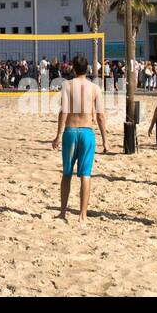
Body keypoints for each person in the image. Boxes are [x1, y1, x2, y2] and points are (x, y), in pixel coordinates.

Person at [52, 55, 108, 222]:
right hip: (87, 132)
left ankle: (63, 212)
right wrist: (105, 140)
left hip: (70, 131)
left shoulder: (67, 85)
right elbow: (100, 116)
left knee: (67, 174)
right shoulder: (95, 88)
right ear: (88, 69)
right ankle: (82, 214)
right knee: (86, 175)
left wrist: (57, 135)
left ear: (73, 69)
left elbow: (64, 111)